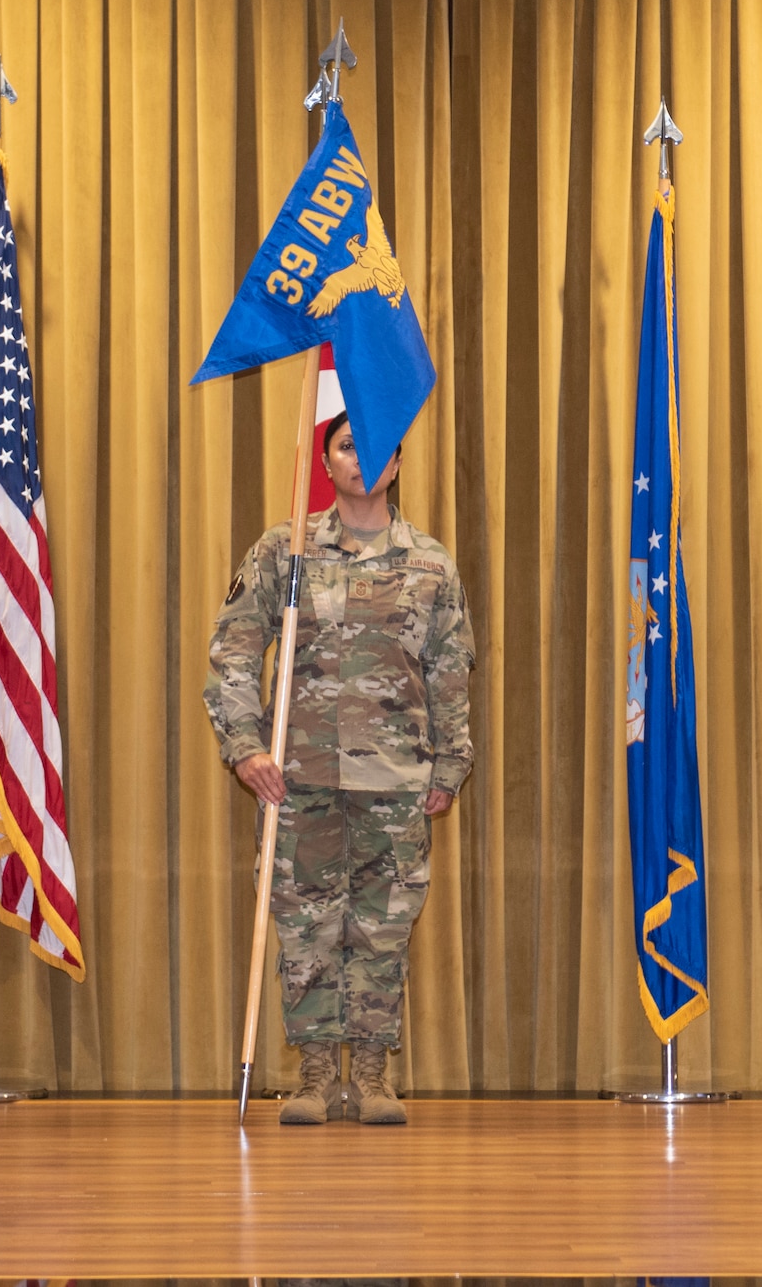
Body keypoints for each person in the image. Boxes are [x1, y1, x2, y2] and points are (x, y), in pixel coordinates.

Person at [205, 413, 474, 1125]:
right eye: (348, 444)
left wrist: (452, 761)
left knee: (385, 928)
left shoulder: (430, 563)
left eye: (377, 444)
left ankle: (376, 1073)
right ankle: (317, 1075)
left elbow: (450, 670)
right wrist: (246, 744)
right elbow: (233, 650)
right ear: (324, 460)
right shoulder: (283, 550)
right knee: (306, 927)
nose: (364, 457)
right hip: (301, 774)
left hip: (399, 778)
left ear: (398, 461)